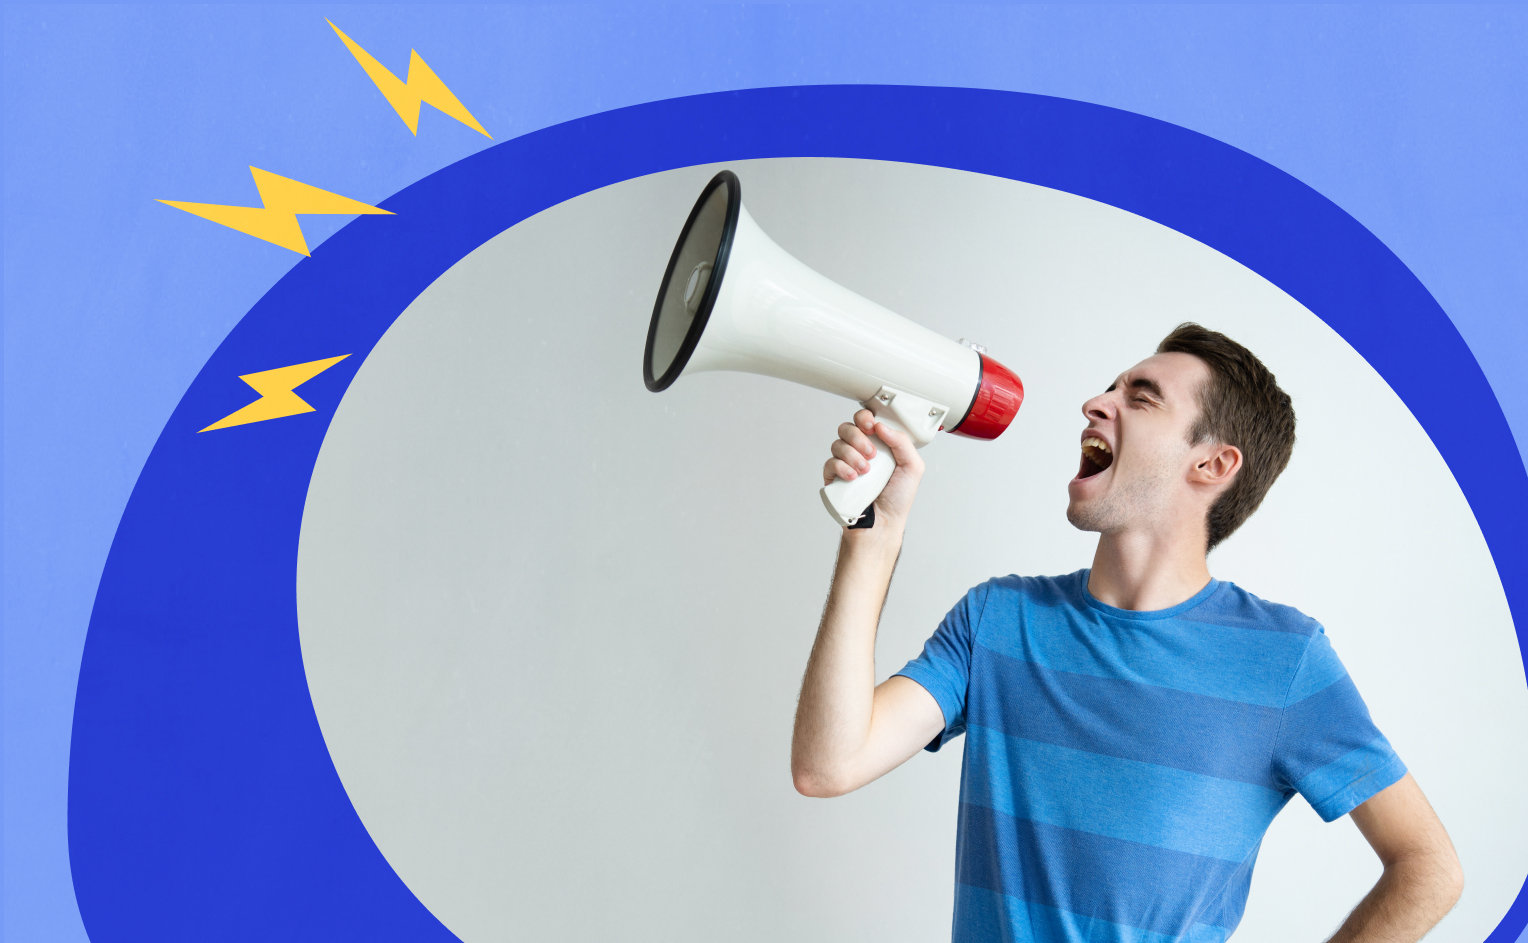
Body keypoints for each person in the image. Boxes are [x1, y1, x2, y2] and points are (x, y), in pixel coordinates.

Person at [790, 323, 1462, 943]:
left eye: (1140, 397)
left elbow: (1428, 865)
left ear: (1212, 465)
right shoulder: (997, 620)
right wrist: (872, 541)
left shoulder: (1284, 661)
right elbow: (828, 763)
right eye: (1111, 386)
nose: (1095, 402)